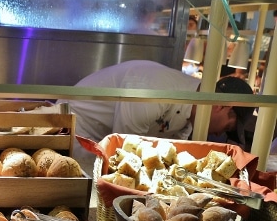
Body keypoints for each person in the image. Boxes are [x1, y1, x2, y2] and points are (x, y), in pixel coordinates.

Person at [59, 60, 255, 159]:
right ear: (222, 106)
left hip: (100, 145)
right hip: (75, 135)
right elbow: (125, 150)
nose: (220, 133)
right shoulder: (157, 90)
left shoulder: (189, 116)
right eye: (229, 127)